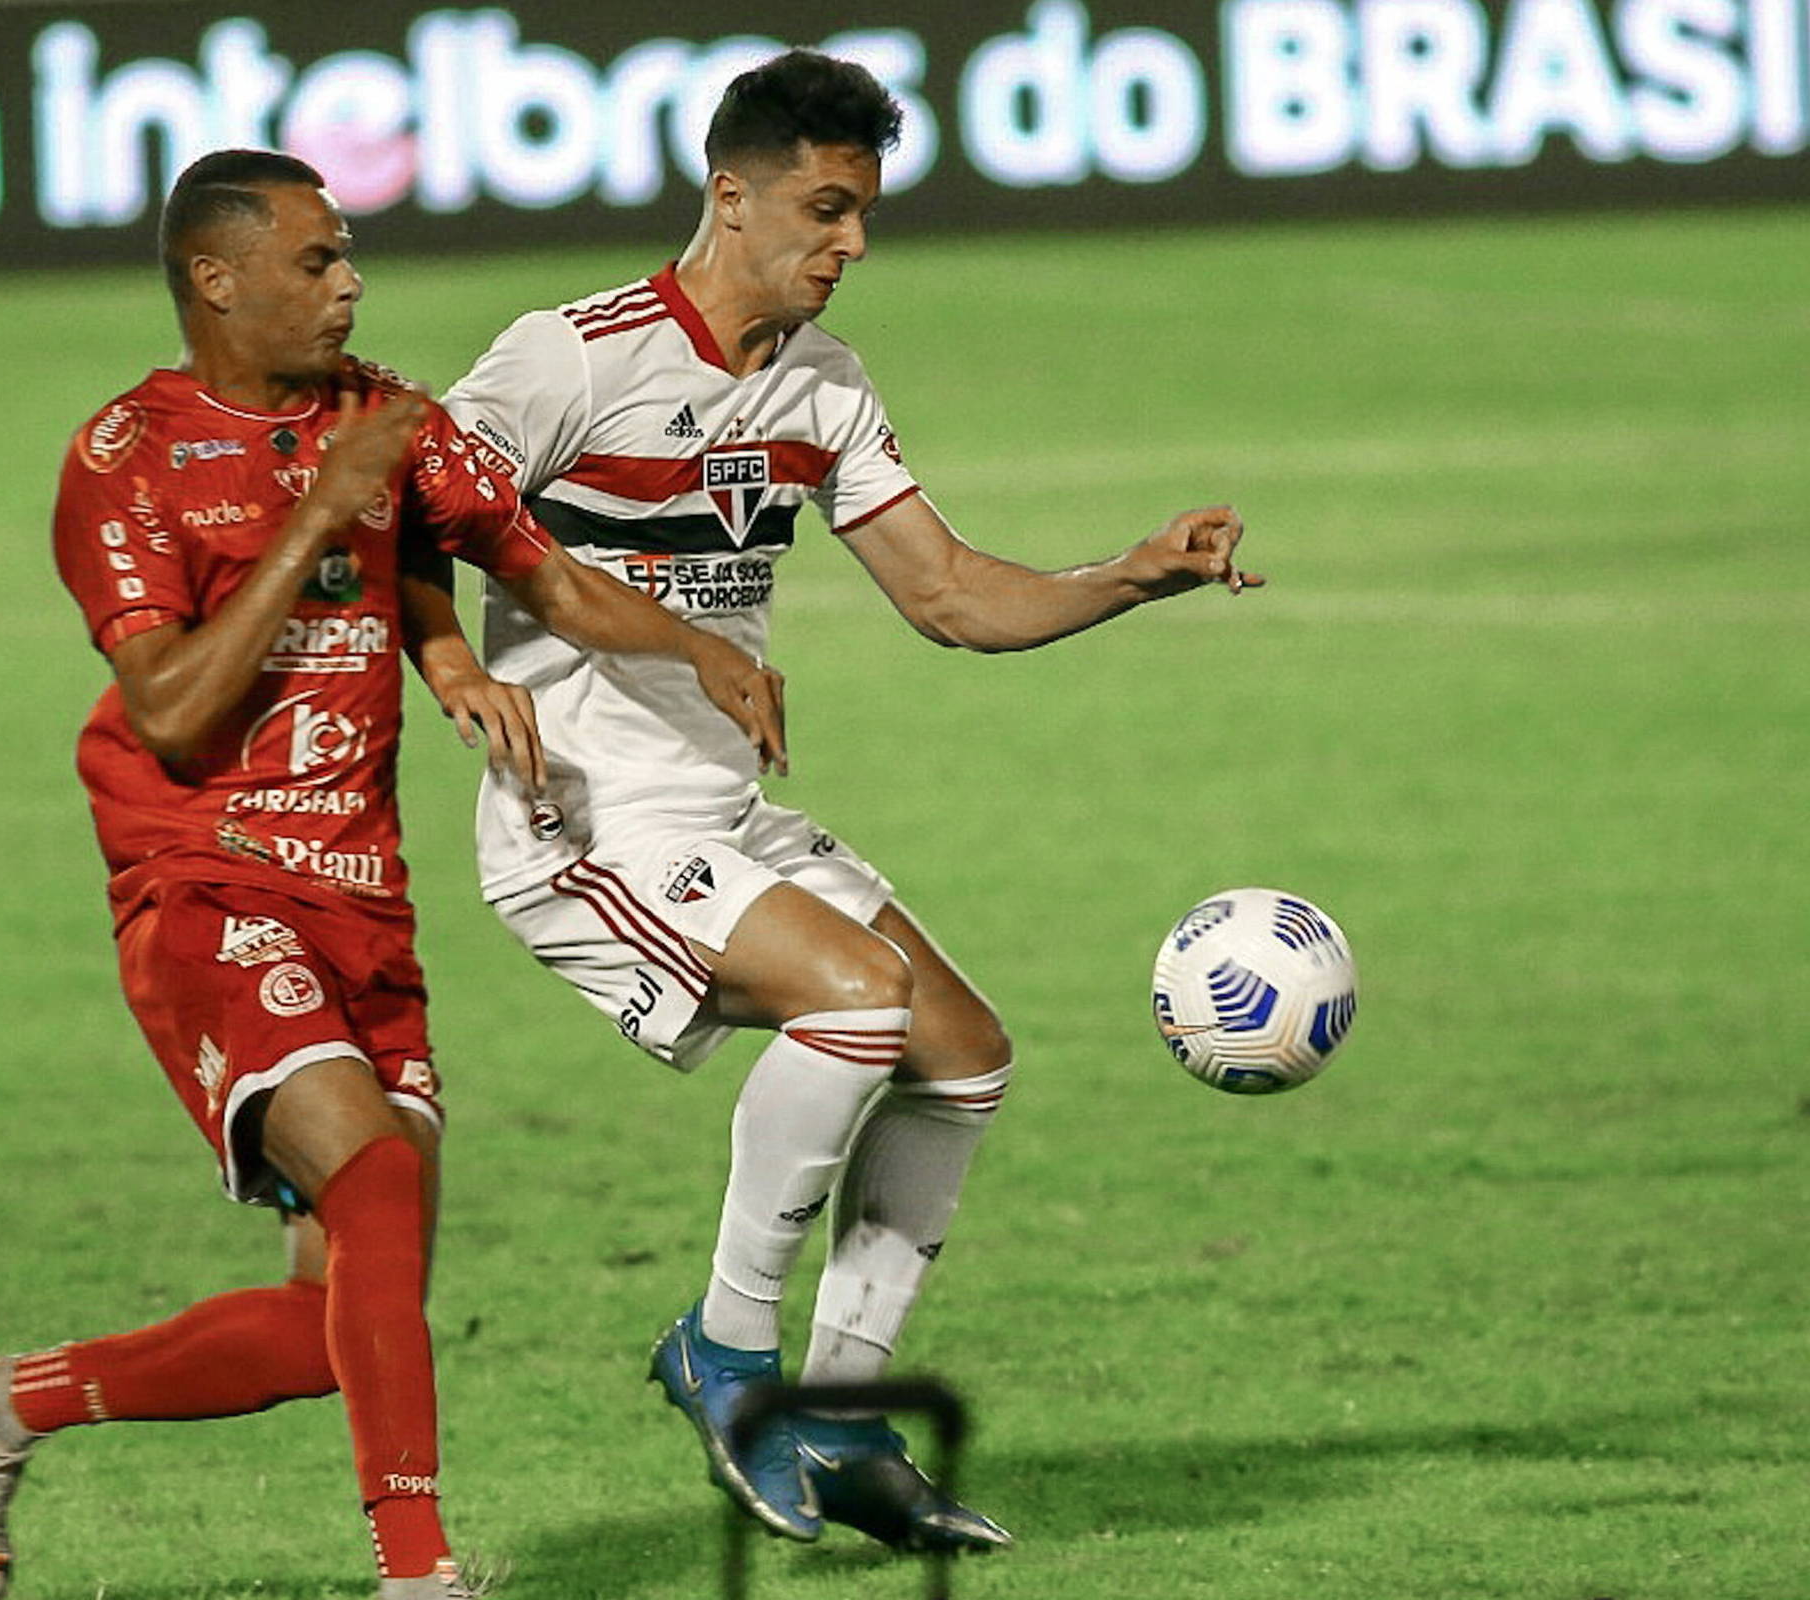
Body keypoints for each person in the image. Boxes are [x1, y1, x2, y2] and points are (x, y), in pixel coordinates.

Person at [0, 148, 785, 1600]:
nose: (350, 283)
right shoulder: (126, 459)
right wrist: (322, 515)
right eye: (316, 261)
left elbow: (539, 571)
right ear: (218, 279)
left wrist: (690, 649)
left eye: (346, 255)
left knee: (342, 1317)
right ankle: (419, 1572)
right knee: (372, 1174)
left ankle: (7, 1401)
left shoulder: (384, 417)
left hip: (360, 892)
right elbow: (175, 712)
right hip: (203, 874)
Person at [430, 49, 1261, 1554]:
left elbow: (946, 594)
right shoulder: (568, 359)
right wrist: (450, 671)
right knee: (859, 1005)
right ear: (728, 197)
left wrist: (1134, 573)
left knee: (965, 1056)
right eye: (824, 209)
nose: (852, 245)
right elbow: (404, 509)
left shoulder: (824, 386)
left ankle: (841, 1417)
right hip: (586, 825)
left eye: (864, 214)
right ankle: (729, 1359)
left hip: (721, 818)